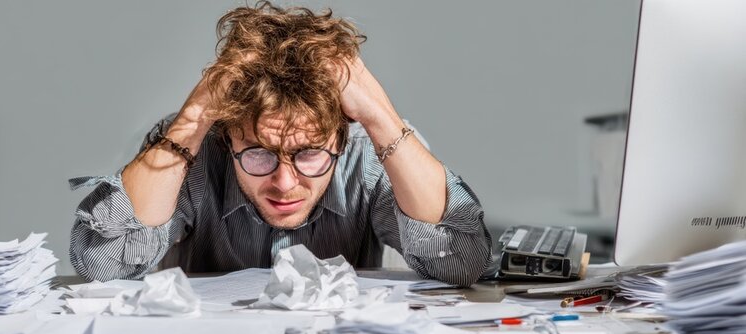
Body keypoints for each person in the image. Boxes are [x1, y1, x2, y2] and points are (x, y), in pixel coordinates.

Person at [69, 1, 491, 286]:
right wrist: (192, 118)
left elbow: (464, 259)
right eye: (258, 154)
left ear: (341, 139)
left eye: (309, 153)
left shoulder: (372, 149)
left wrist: (382, 117)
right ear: (227, 134)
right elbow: (101, 263)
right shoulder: (192, 146)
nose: (285, 183)